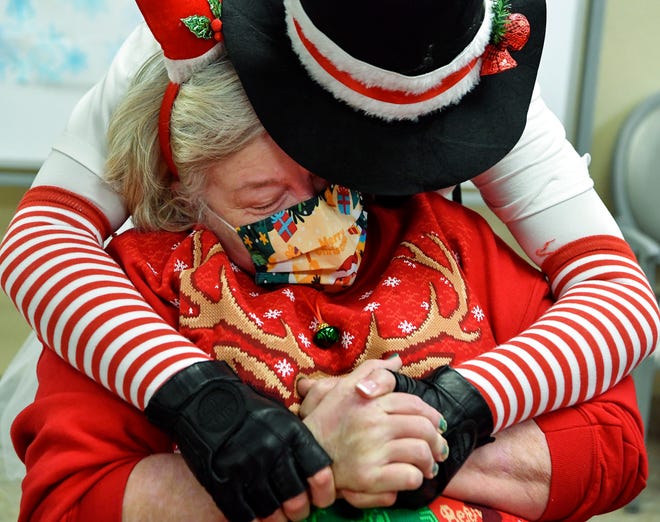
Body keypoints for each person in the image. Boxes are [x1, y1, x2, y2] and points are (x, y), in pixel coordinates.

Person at [0, 0, 657, 517]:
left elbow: (620, 312)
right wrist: (207, 404)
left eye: (336, 180)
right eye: (268, 196)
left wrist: (444, 420)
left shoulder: (474, 101)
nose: (321, 223)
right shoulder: (151, 264)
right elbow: (42, 241)